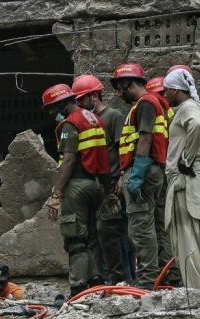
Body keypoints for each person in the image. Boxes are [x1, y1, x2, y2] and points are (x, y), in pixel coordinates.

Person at [42, 83, 116, 296]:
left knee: (74, 238)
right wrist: (108, 191)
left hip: (77, 186)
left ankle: (78, 288)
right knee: (91, 237)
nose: (52, 114)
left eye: (52, 109)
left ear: (62, 104)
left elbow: (69, 160)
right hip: (96, 185)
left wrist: (57, 193)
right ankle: (95, 281)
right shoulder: (95, 120)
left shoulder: (71, 124)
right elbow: (104, 159)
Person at [112, 63, 172, 288]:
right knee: (156, 225)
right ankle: (166, 275)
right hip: (153, 170)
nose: (119, 94)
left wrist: (136, 175)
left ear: (130, 84)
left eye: (120, 89)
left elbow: (145, 139)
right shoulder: (156, 103)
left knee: (141, 226)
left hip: (144, 170)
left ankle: (147, 281)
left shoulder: (145, 103)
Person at [73, 73, 132, 283]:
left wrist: (122, 175)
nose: (79, 104)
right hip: (96, 186)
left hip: (113, 184)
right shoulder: (87, 121)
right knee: (97, 235)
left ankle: (122, 279)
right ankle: (104, 278)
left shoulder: (113, 116)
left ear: (94, 95)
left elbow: (124, 147)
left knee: (112, 233)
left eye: (82, 99)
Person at [162, 69, 200, 289]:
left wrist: (187, 158)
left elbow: (197, 125)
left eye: (166, 90)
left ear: (176, 90)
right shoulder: (199, 107)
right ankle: (198, 289)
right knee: (197, 239)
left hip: (188, 180)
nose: (164, 94)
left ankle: (194, 294)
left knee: (187, 239)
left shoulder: (188, 108)